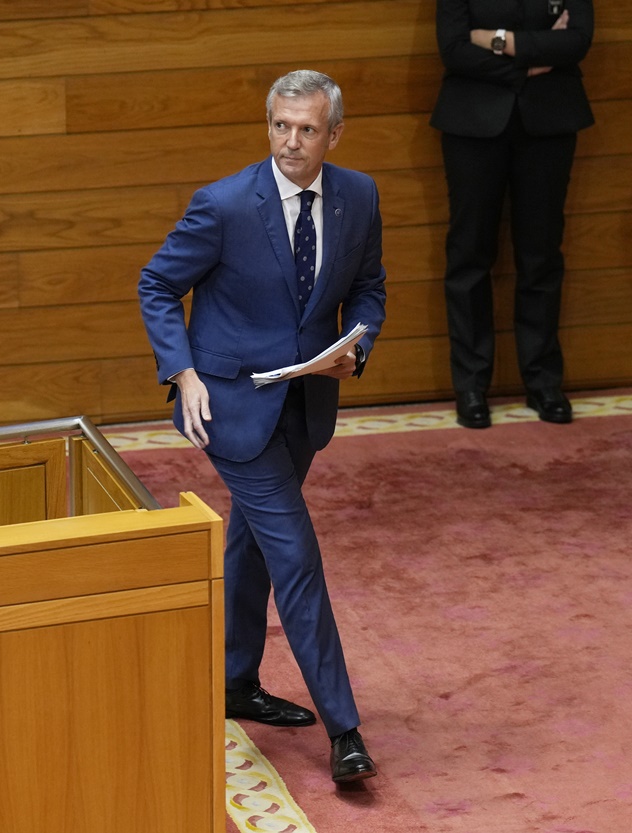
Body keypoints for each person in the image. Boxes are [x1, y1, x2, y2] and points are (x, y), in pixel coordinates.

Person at [137, 70, 386, 784]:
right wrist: (182, 373)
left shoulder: (358, 196)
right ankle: (345, 728)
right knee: (296, 557)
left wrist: (354, 348)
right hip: (227, 406)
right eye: (280, 125)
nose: (291, 142)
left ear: (333, 134)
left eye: (307, 129)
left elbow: (370, 286)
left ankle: (231, 679)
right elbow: (157, 282)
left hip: (304, 405)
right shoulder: (222, 204)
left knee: (248, 541)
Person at [431, 0, 594, 428]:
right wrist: (528, 63)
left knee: (541, 256)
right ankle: (470, 384)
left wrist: (501, 42)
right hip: (471, 124)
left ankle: (543, 382)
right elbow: (453, 48)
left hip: (550, 121)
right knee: (469, 257)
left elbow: (577, 41)